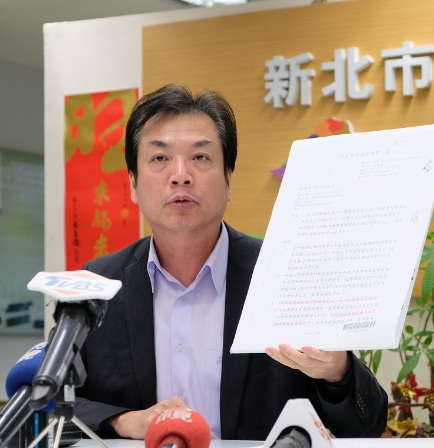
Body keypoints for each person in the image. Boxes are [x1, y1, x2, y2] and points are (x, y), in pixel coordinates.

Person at [75, 85, 388, 440]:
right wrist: (126, 421)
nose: (180, 174)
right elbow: (50, 401)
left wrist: (337, 373)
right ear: (133, 183)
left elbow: (368, 424)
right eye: (159, 158)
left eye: (200, 157)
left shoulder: (286, 274)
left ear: (228, 180)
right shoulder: (98, 284)